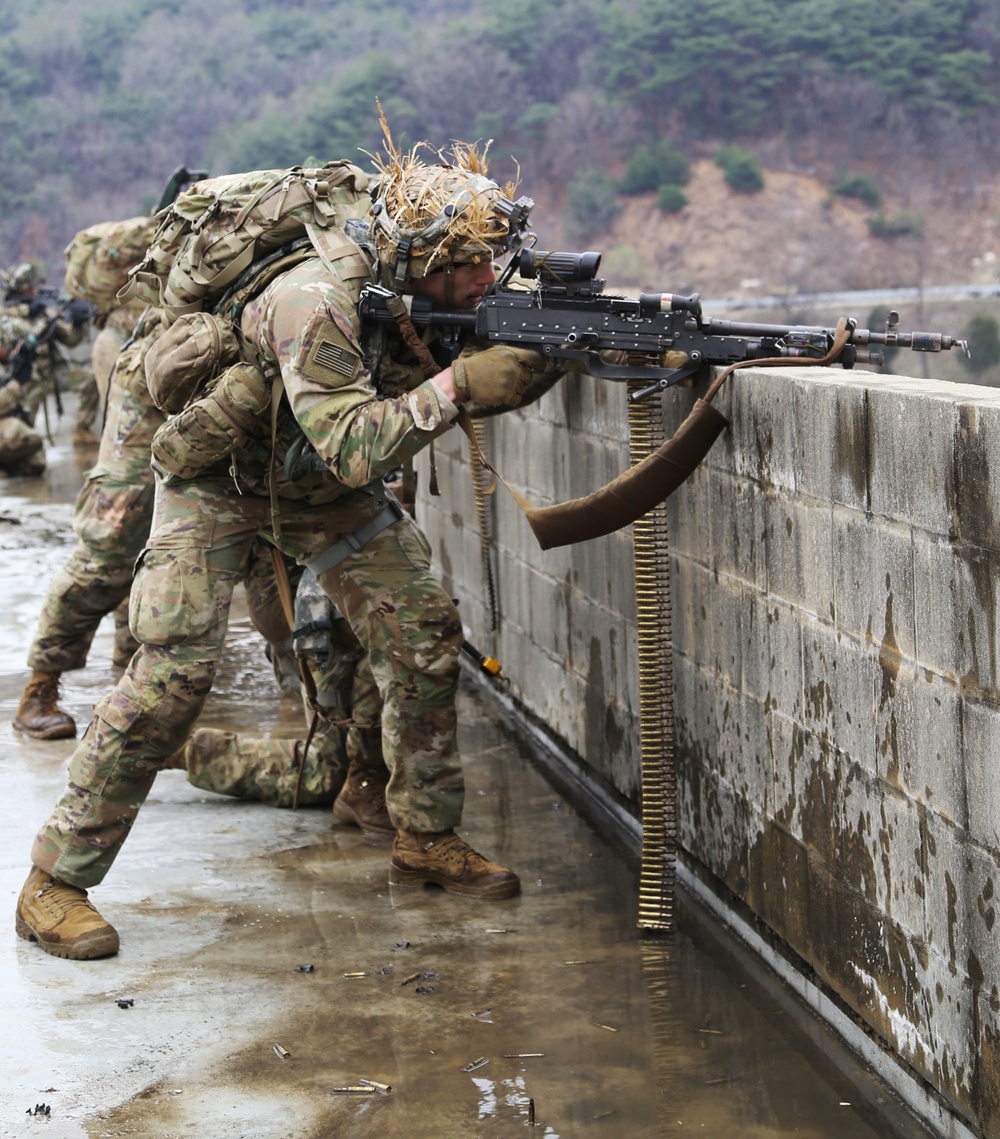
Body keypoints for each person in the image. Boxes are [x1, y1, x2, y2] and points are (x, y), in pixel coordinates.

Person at [15, 134, 549, 959]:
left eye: (493, 260)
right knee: (172, 672)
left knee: (423, 633)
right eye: (472, 265)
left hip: (315, 484)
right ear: (422, 260)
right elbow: (354, 448)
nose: (488, 280)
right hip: (219, 479)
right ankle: (55, 883)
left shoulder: (427, 293)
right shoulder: (317, 300)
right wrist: (459, 387)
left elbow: (346, 449)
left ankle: (424, 834)